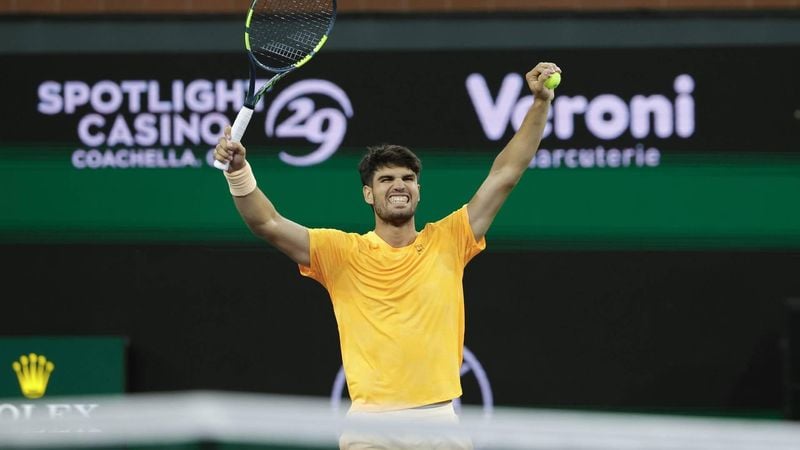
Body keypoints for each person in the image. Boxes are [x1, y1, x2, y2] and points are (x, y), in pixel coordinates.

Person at [214, 62, 561, 449]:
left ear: (418, 190)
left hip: (439, 422)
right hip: (370, 427)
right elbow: (269, 224)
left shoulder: (450, 238)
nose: (399, 185)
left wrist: (540, 103)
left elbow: (506, 174)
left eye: (407, 178)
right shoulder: (340, 252)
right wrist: (238, 171)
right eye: (386, 179)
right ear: (368, 193)